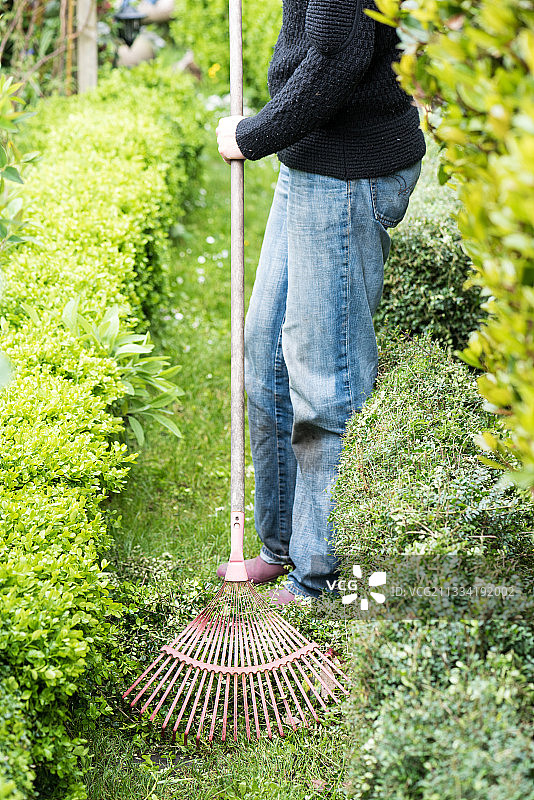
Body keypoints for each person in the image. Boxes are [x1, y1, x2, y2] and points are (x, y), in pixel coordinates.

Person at [215, 0, 425, 603]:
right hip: (313, 159)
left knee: (325, 380)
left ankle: (323, 577)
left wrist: (253, 134)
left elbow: (336, 59)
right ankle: (284, 546)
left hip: (346, 169)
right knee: (267, 354)